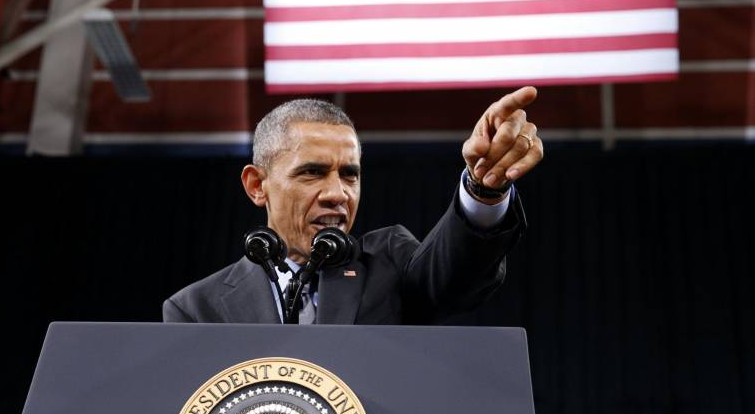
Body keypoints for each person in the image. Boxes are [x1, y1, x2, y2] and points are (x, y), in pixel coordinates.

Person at [163, 86, 543, 324]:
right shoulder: (197, 309)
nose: (337, 193)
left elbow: (453, 276)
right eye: (312, 173)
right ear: (257, 186)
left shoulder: (389, 266)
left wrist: (483, 189)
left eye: (349, 175)